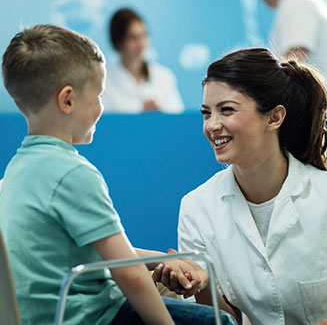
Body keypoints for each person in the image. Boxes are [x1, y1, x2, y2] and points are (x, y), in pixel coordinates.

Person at [0, 24, 237, 325]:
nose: (101, 106)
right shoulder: (73, 174)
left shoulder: (16, 171)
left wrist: (164, 258)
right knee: (219, 321)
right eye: (98, 95)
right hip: (91, 316)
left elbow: (103, 252)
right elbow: (127, 273)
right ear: (68, 100)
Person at [153, 48, 327, 325]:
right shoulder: (197, 208)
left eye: (227, 110)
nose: (212, 125)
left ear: (274, 117)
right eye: (206, 113)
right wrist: (203, 285)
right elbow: (223, 320)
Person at [254, 0, 327, 171]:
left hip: (311, 137)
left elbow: (290, 65)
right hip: (314, 134)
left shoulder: (298, 5)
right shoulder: (300, 4)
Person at [103, 8, 184, 113]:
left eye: (143, 35)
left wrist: (159, 111)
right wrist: (141, 114)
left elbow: (178, 117)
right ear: (118, 42)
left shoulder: (164, 76)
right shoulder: (104, 83)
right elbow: (105, 123)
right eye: (132, 38)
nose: (140, 44)